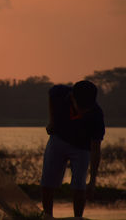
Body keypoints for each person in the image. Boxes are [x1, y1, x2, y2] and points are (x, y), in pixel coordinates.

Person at [41, 80, 105, 219]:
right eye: (80, 107)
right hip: (58, 139)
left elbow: (95, 149)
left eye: (86, 108)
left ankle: (78, 217)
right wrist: (52, 121)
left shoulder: (96, 115)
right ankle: (47, 215)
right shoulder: (61, 93)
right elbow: (51, 94)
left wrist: (93, 180)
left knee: (79, 184)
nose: (83, 111)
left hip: (82, 148)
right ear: (72, 98)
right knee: (48, 181)